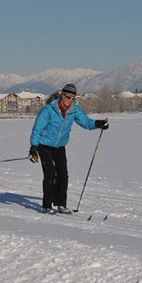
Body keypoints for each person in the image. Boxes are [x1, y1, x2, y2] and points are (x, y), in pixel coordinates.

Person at [28, 83, 108, 215]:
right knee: (50, 174)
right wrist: (34, 146)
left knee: (63, 175)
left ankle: (61, 204)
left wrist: (97, 124)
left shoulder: (74, 110)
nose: (70, 100)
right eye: (68, 96)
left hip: (60, 146)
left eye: (73, 97)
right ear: (62, 95)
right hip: (44, 145)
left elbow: (86, 122)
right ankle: (47, 206)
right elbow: (37, 129)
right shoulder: (48, 110)